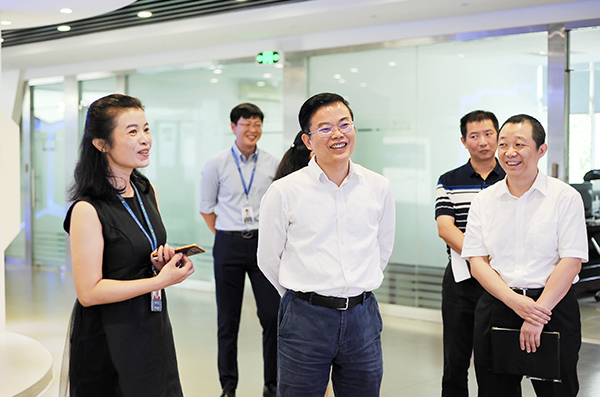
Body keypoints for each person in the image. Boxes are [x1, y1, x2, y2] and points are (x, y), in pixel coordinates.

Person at [257, 92, 396, 397]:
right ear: (308, 140)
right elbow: (268, 256)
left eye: (345, 124)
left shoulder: (378, 187)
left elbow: (383, 245)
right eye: (325, 128)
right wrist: (301, 295)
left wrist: (357, 283)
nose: (338, 134)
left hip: (363, 317)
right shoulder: (284, 191)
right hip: (306, 319)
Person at [60, 94, 195, 397]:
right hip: (110, 333)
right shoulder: (87, 209)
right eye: (132, 131)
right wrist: (158, 281)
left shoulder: (146, 190)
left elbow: (139, 249)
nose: (145, 139)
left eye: (146, 129)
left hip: (151, 323)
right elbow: (89, 293)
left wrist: (160, 262)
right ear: (101, 144)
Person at [462, 114, 588, 397]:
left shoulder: (565, 197)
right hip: (498, 306)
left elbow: (571, 261)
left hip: (552, 308)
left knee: (557, 391)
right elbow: (477, 262)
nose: (509, 152)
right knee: (495, 391)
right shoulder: (484, 201)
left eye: (519, 144)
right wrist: (514, 301)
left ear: (541, 150)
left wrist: (535, 315)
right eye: (503, 144)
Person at [199, 103, 280, 397]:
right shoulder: (216, 163)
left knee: (272, 316)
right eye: (246, 124)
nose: (252, 130)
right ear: (234, 127)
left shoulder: (272, 163)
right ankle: (228, 386)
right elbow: (206, 208)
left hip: (263, 243)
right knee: (227, 319)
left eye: (257, 124)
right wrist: (226, 234)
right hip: (228, 243)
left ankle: (272, 383)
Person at [435, 110, 505, 397]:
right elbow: (445, 228)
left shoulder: (513, 177)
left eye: (488, 134)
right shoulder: (449, 180)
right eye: (474, 136)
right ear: (464, 141)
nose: (483, 142)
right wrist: (481, 260)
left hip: (504, 281)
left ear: (498, 137)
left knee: (496, 362)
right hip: (461, 282)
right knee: (455, 359)